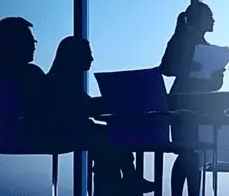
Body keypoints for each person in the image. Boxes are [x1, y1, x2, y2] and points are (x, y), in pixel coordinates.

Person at [47, 36, 154, 195]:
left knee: (108, 146)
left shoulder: (60, 81)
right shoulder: (62, 84)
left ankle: (125, 182)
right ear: (74, 56)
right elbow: (83, 107)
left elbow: (83, 106)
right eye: (87, 53)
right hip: (65, 132)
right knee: (114, 139)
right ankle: (129, 180)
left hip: (67, 130)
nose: (91, 58)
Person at [159, 3, 225, 196]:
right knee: (188, 152)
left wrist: (217, 76)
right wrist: (188, 67)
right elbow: (166, 68)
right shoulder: (180, 41)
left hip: (201, 105)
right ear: (199, 20)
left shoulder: (208, 49)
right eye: (210, 16)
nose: (213, 20)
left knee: (191, 153)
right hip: (182, 103)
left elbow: (212, 85)